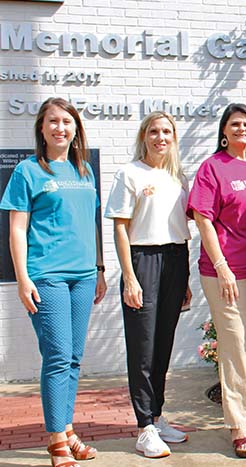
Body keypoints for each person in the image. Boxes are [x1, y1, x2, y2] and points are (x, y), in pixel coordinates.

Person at [0, 97, 107, 467]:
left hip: (83, 276)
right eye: (53, 122)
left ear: (76, 128)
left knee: (74, 359)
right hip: (47, 275)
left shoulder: (84, 171)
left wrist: (100, 269)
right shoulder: (28, 171)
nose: (60, 127)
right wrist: (22, 278)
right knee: (58, 356)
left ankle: (67, 428)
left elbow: (92, 223)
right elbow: (16, 229)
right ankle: (56, 439)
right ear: (42, 129)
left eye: (67, 121)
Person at [187, 103, 246, 458]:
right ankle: (238, 424)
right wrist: (222, 265)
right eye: (235, 124)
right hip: (226, 271)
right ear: (224, 131)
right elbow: (203, 218)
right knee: (235, 345)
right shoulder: (212, 167)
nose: (242, 129)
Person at [105, 111, 191, 459]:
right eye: (154, 131)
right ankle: (144, 427)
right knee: (142, 348)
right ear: (144, 136)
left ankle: (156, 415)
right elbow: (121, 228)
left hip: (176, 260)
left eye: (167, 131)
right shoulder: (129, 173)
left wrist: (183, 280)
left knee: (163, 346)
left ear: (173, 137)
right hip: (143, 260)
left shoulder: (178, 177)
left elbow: (181, 228)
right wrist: (129, 276)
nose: (160, 137)